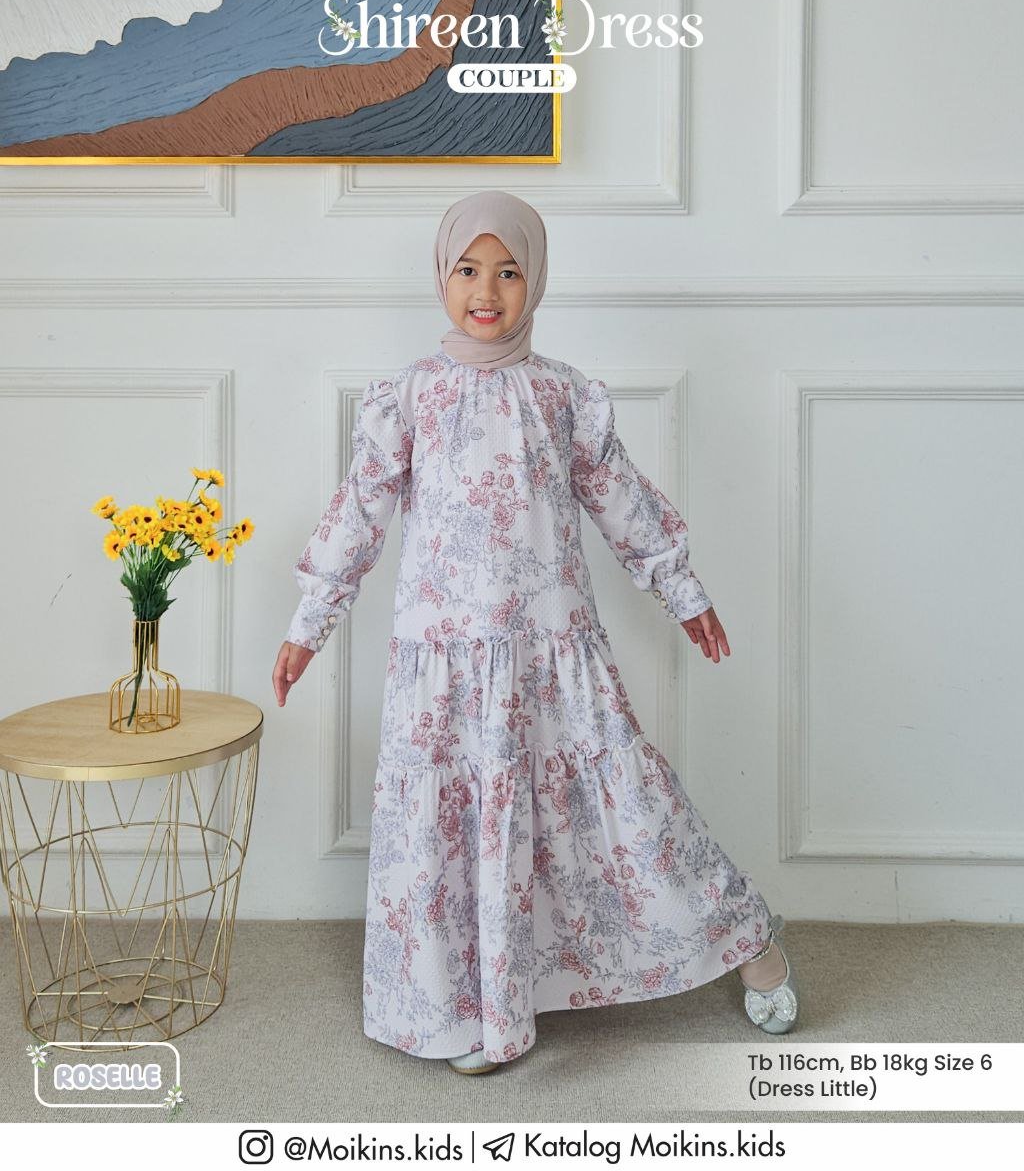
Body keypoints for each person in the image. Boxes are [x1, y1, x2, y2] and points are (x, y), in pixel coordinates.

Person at [272, 190, 799, 1077]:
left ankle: (750, 939)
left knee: (631, 805)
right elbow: (360, 510)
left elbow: (622, 501)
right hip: (441, 665)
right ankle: (479, 1008)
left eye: (509, 271)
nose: (487, 291)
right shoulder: (408, 397)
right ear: (441, 277)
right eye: (468, 270)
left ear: (537, 280)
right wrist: (308, 623)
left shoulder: (563, 395)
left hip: (552, 657)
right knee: (452, 834)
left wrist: (683, 591)